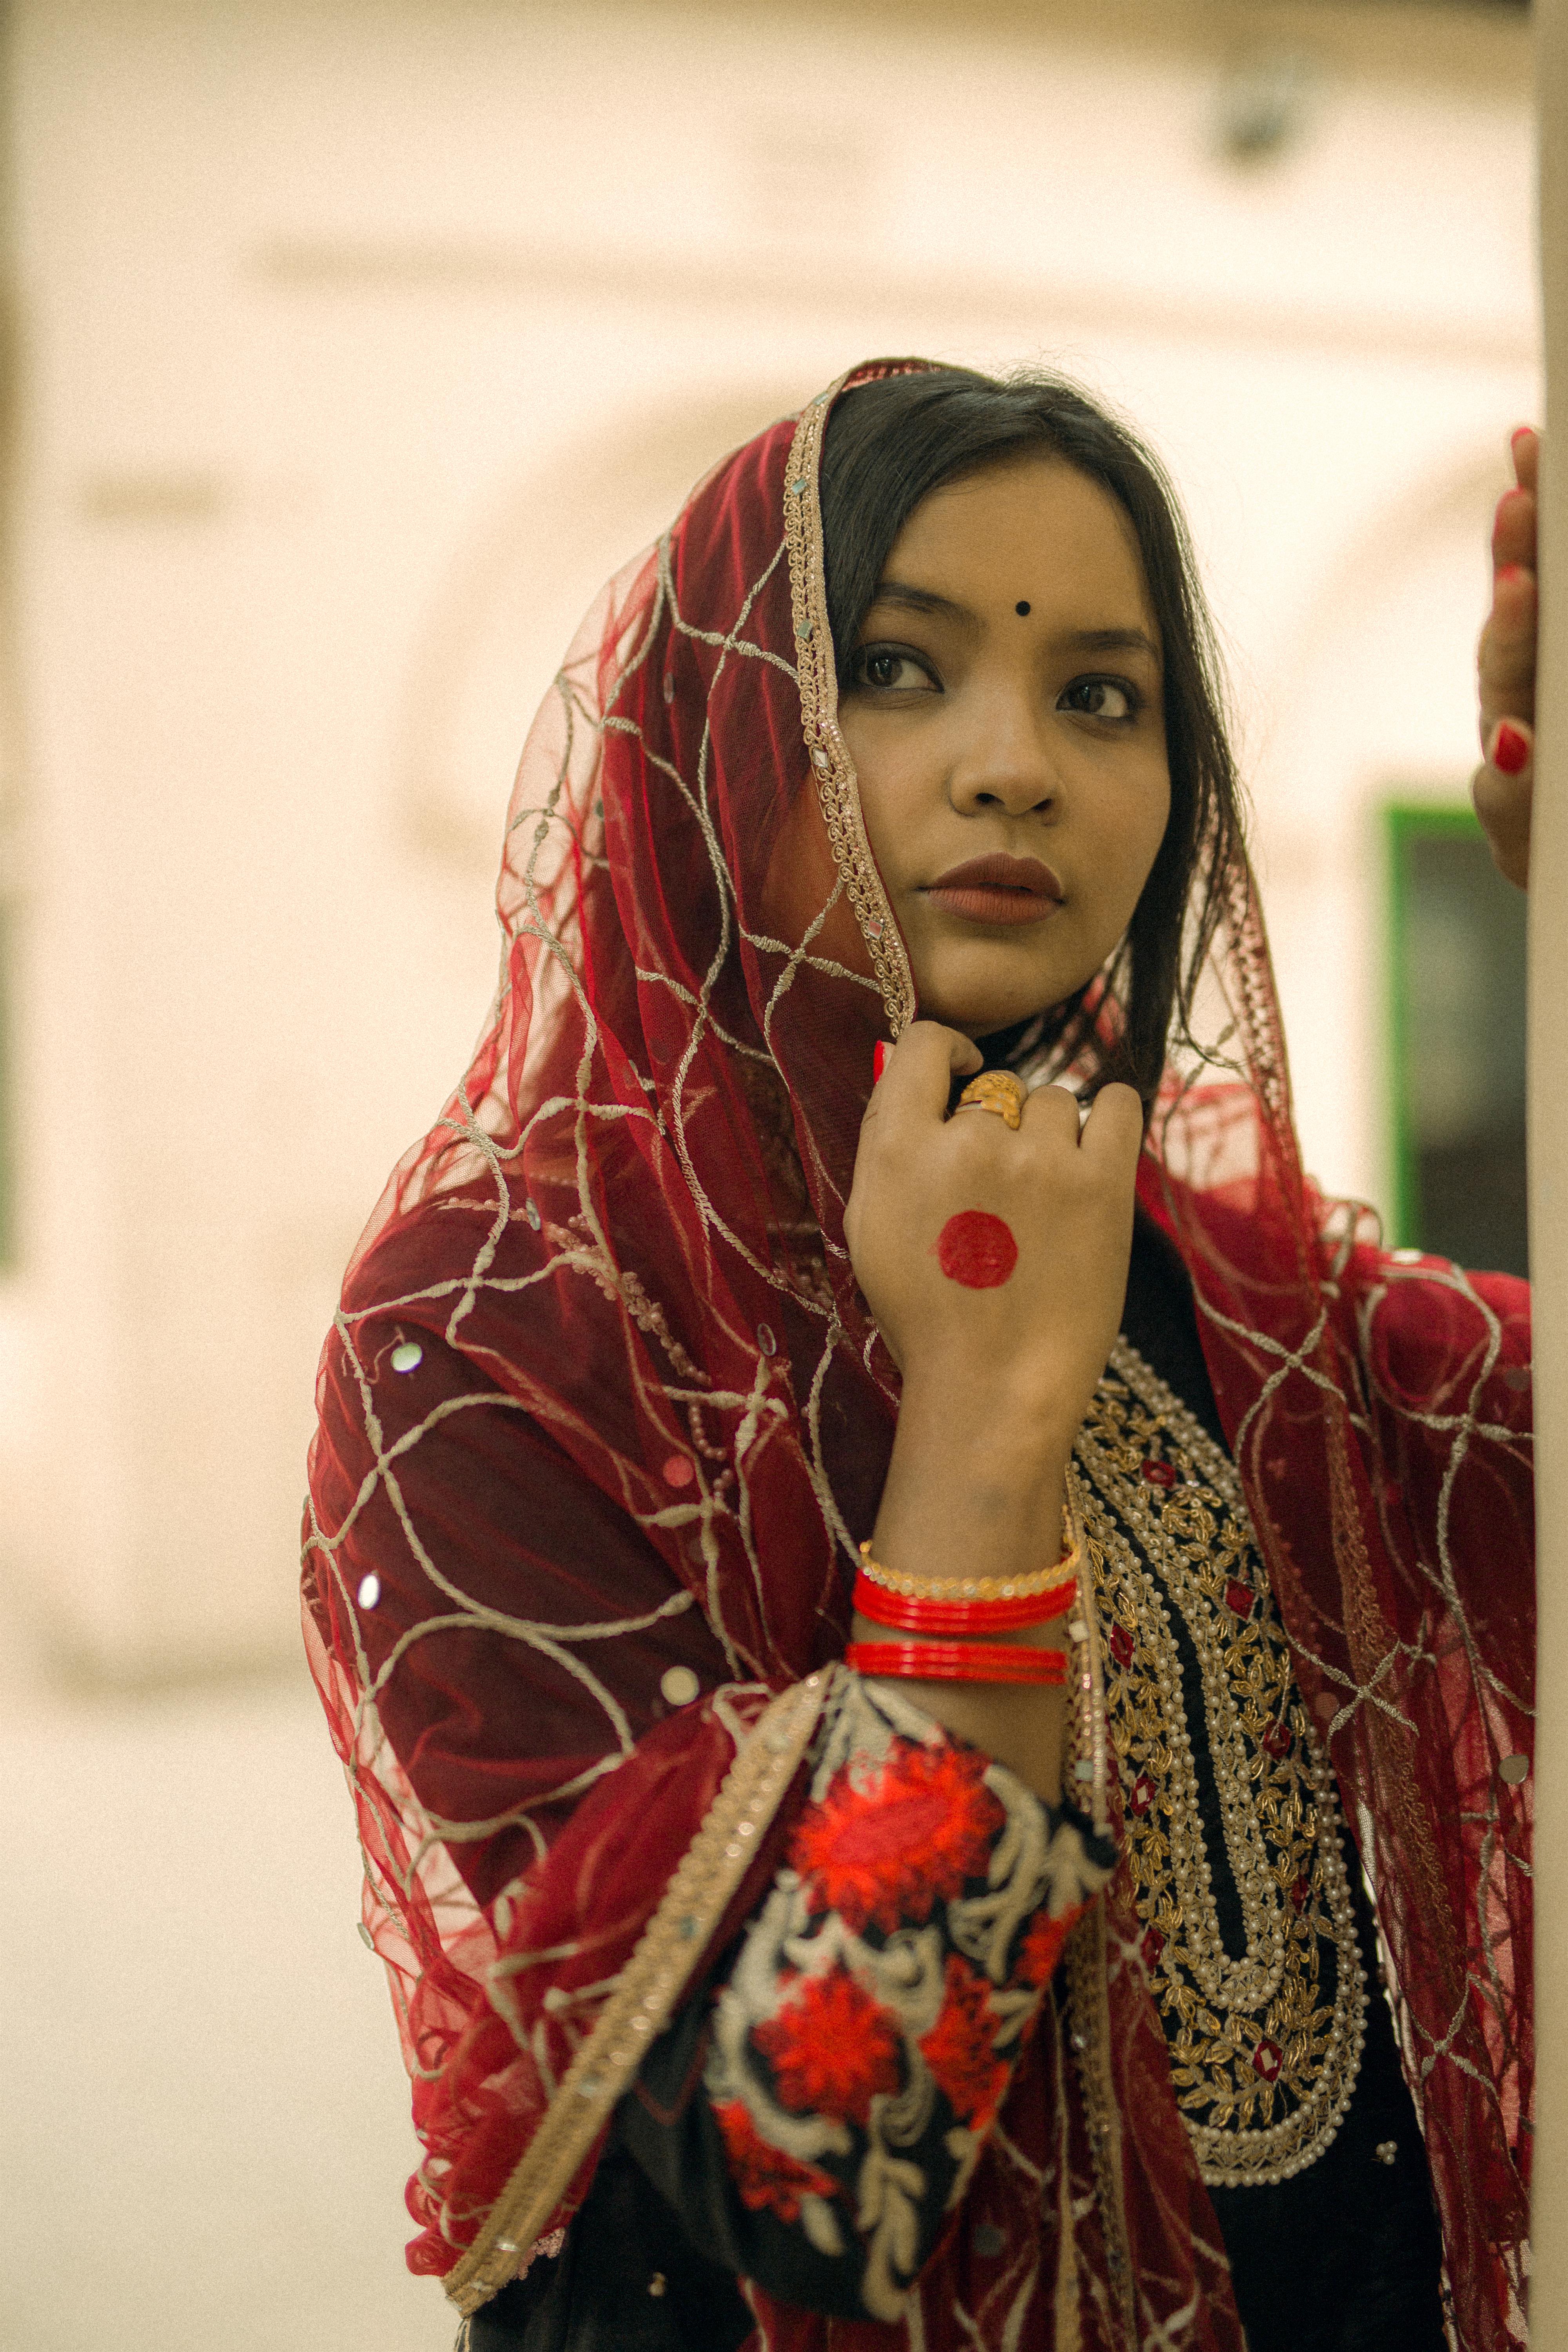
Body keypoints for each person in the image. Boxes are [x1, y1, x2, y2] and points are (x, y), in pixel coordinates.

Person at [301, 363, 1537, 2352]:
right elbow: (823, 2161)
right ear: (721, 718)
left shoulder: (1253, 1299)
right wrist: (980, 1423)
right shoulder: (503, 1338)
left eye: (1101, 695)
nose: (1013, 764)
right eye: (894, 664)